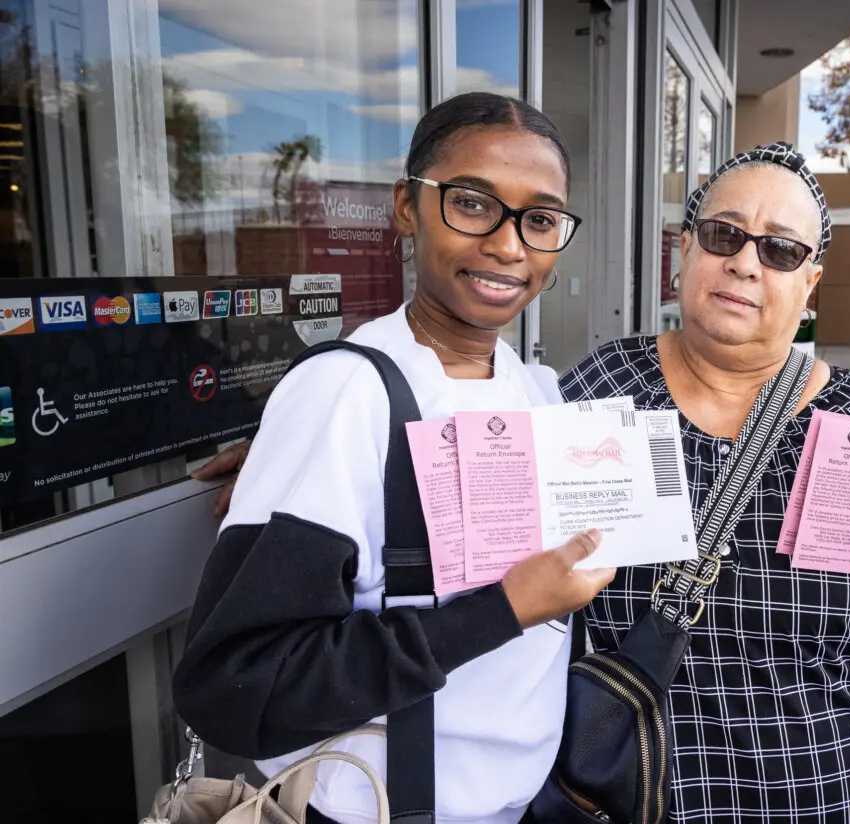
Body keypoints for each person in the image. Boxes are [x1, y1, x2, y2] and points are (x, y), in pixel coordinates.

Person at [194, 141, 850, 822]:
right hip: (640, 797)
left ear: (810, 284)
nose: (746, 263)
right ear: (686, 252)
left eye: (781, 249)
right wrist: (285, 450)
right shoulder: (590, 394)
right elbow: (454, 474)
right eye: (724, 236)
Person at [172, 92, 616, 824]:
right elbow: (235, 687)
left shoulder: (536, 394)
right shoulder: (343, 394)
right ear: (407, 208)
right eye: (472, 204)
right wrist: (501, 612)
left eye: (539, 220)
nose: (509, 245)